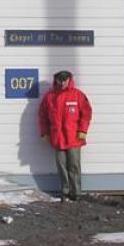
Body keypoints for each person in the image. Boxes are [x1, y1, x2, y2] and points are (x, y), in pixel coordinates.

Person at [38, 70, 93, 202]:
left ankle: (76, 191)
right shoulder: (49, 97)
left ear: (69, 80)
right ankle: (65, 191)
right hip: (58, 138)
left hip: (74, 138)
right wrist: (44, 132)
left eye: (65, 80)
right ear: (56, 80)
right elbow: (42, 116)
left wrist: (83, 131)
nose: (62, 83)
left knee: (74, 165)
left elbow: (86, 114)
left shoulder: (78, 95)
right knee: (61, 165)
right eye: (60, 80)